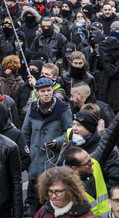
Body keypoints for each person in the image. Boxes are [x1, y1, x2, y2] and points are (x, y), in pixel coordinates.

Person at [22, 77, 72, 215]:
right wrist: (26, 153)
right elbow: (25, 132)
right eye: (43, 91)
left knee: (50, 197)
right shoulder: (32, 108)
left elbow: (69, 132)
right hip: (35, 159)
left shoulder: (63, 108)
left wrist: (57, 142)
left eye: (49, 90)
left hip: (53, 159)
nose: (46, 94)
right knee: (34, 197)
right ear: (37, 92)